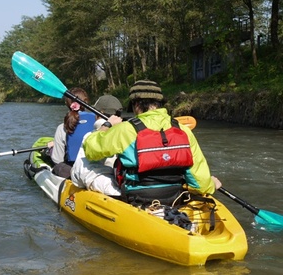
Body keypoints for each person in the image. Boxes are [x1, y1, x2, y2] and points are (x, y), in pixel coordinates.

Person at [83, 80, 222, 207]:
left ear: (136, 104)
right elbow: (200, 182)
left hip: (138, 199)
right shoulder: (183, 130)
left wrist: (105, 126)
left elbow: (90, 150)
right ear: (160, 103)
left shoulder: (126, 130)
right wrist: (211, 184)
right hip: (175, 197)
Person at [71, 95, 123, 196]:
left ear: (99, 113)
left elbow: (77, 175)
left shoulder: (90, 136)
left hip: (96, 181)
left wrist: (106, 126)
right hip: (117, 179)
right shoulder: (126, 133)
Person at [51, 87, 96, 178]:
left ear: (67, 104)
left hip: (74, 170)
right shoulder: (98, 122)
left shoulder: (62, 127)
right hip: (95, 168)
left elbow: (57, 159)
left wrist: (51, 149)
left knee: (57, 166)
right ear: (86, 102)